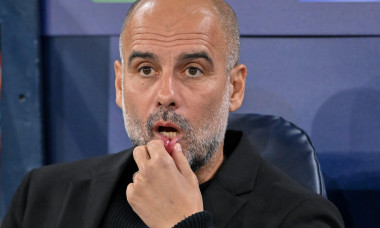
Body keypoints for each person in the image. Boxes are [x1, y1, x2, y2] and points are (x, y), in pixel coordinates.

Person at [2, 0, 344, 227]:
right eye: (147, 69)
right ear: (120, 85)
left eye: (192, 70)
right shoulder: (42, 196)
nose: (166, 94)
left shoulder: (301, 219)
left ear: (235, 88)